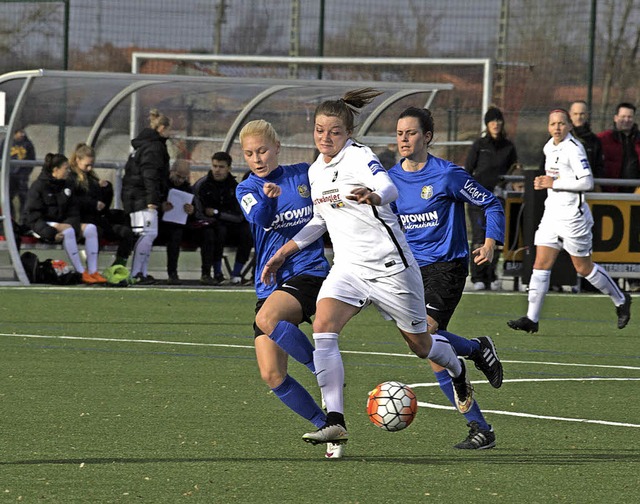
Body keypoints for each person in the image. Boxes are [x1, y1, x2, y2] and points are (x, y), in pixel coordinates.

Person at [261, 89, 474, 452]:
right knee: (323, 327)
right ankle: (335, 421)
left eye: (334, 132)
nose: (325, 138)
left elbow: (387, 186)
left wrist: (375, 196)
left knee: (421, 344)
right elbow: (319, 219)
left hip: (390, 266)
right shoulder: (315, 170)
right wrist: (286, 249)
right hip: (349, 268)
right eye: (318, 130)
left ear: (348, 133)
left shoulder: (359, 157)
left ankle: (457, 369)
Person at [389, 106, 505, 449]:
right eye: (399, 133)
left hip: (446, 267)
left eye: (410, 133)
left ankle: (475, 348)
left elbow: (492, 203)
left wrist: (490, 242)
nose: (404, 139)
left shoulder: (447, 175)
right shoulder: (390, 180)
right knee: (430, 353)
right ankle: (480, 427)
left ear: (427, 137)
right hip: (411, 272)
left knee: (425, 332)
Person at [235, 120, 340, 458]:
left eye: (262, 151)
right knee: (272, 374)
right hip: (270, 283)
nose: (257, 159)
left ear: (277, 147)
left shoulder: (302, 175)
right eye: (249, 154)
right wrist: (268, 200)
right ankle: (330, 428)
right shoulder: (246, 189)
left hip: (308, 272)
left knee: (268, 318)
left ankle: (321, 372)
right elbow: (263, 221)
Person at [508, 109, 632, 333]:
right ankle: (531, 318)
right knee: (540, 264)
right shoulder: (549, 146)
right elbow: (552, 178)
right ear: (548, 126)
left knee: (583, 268)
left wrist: (552, 183)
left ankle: (621, 298)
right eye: (553, 123)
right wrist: (544, 182)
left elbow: (587, 182)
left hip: (573, 218)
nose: (557, 127)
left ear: (569, 127)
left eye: (562, 124)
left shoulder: (574, 149)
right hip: (551, 215)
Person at [22, 153, 106, 284]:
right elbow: (32, 217)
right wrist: (51, 232)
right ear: (55, 170)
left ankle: (93, 271)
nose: (68, 171)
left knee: (90, 229)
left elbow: (73, 212)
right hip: (41, 226)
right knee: (68, 231)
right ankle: (80, 272)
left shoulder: (67, 185)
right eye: (65, 168)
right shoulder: (38, 186)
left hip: (61, 224)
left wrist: (73, 225)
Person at [465, 106, 518, 291]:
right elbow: (468, 171)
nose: (495, 124)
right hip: (478, 201)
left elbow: (514, 170)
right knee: (480, 237)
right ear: (487, 124)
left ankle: (492, 276)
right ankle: (478, 276)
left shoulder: (509, 146)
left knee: (495, 238)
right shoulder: (479, 145)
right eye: (492, 121)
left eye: (498, 120)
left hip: (498, 199)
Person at [121, 109, 172, 284]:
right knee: (148, 234)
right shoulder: (154, 147)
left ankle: (141, 271)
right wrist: (152, 200)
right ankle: (137, 273)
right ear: (162, 128)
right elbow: (150, 175)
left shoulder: (143, 145)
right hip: (142, 197)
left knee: (146, 233)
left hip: (134, 196)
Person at [68, 143, 136, 269]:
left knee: (126, 232)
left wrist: (106, 189)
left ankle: (119, 266)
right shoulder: (71, 178)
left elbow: (104, 206)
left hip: (98, 219)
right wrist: (93, 203)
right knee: (95, 231)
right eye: (86, 165)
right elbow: (74, 201)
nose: (89, 168)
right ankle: (91, 269)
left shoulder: (92, 177)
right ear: (78, 160)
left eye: (91, 165)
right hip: (82, 220)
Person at [193, 151, 253, 285]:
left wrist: (216, 213)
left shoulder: (235, 187)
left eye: (221, 167)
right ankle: (216, 273)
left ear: (229, 168)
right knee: (216, 231)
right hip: (209, 227)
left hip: (231, 226)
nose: (217, 170)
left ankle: (236, 274)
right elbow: (198, 212)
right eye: (214, 166)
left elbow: (239, 216)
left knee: (247, 232)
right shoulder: (202, 185)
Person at [158, 159, 195, 285]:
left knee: (177, 234)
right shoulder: (161, 185)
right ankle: (171, 272)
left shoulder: (187, 188)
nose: (180, 180)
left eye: (184, 178)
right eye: (178, 176)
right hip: (161, 225)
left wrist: (191, 210)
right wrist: (160, 207)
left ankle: (173, 273)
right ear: (171, 171)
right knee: (174, 234)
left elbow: (195, 210)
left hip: (179, 226)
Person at [597, 102, 640, 193]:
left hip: (636, 194)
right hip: (609, 192)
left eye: (630, 117)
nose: (626, 120)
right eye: (623, 116)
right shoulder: (603, 139)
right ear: (616, 118)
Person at [569, 100, 605, 181]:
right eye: (575, 114)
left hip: (587, 185)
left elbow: (599, 166)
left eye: (582, 114)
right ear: (570, 115)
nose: (579, 117)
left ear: (587, 115)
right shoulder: (562, 137)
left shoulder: (594, 140)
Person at [9, 128, 36, 222]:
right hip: (9, 176)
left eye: (23, 132)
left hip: (22, 176)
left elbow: (32, 159)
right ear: (14, 133)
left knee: (24, 198)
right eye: (19, 132)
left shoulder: (28, 144)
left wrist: (26, 173)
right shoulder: (7, 142)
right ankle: (10, 218)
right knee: (8, 198)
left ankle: (23, 220)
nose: (22, 134)